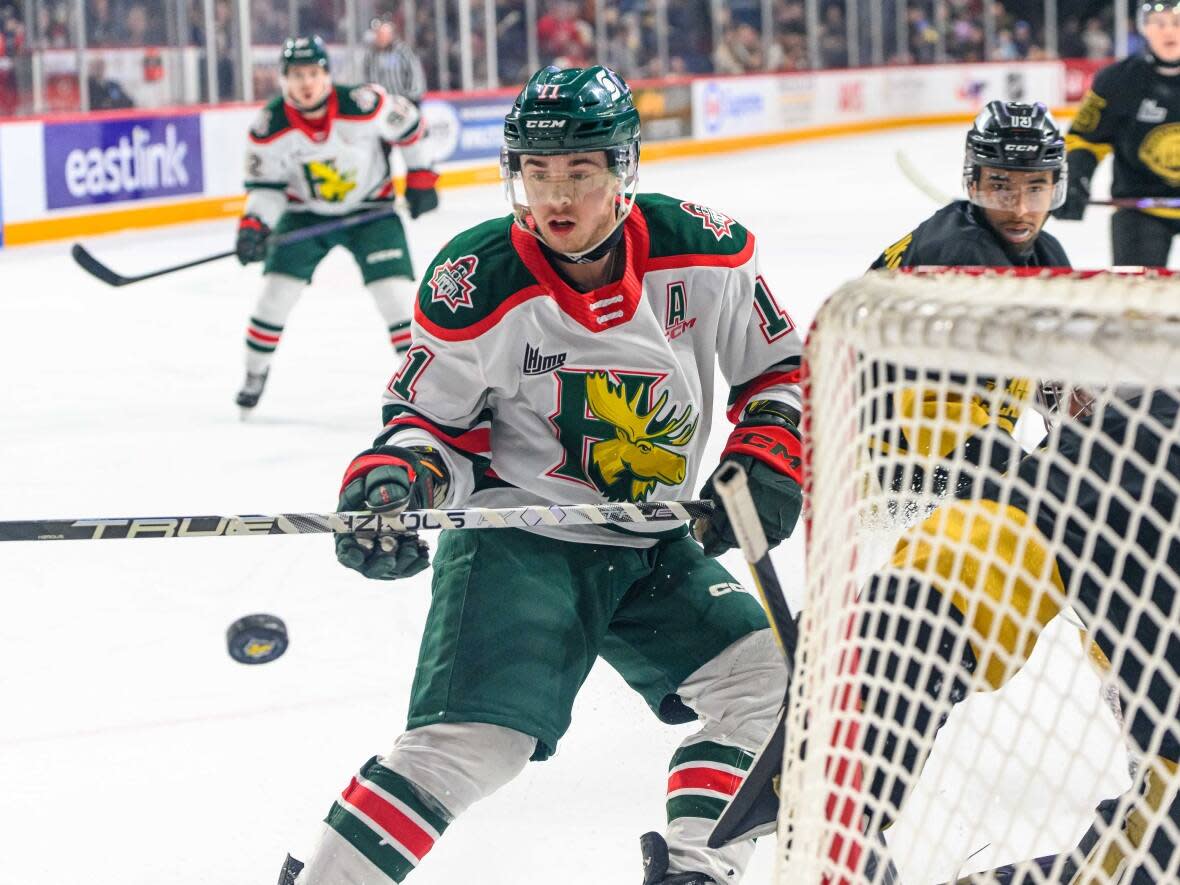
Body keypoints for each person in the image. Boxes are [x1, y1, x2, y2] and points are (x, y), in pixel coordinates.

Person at [275, 64, 804, 885]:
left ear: (623, 171)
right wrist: (398, 485)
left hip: (655, 541)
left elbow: (780, 371)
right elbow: (429, 426)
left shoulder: (706, 253)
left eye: (580, 172)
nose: (557, 196)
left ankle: (697, 870)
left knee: (773, 692)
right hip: (525, 539)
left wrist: (765, 458)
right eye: (538, 171)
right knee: (474, 745)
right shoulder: (476, 282)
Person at [235, 35, 438, 413]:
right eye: (297, 75)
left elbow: (410, 124)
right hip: (305, 215)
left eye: (313, 73)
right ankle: (254, 372)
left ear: (327, 74)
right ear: (283, 79)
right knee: (274, 297)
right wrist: (255, 224)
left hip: (370, 211)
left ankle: (424, 388)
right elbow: (267, 189)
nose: (306, 83)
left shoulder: (363, 105)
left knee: (394, 298)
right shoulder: (270, 126)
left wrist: (421, 175)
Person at [1054, 1, 1180, 265]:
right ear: (1144, 28)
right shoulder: (1117, 80)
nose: (1169, 32)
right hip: (1139, 206)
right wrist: (1076, 181)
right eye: (1159, 23)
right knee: (1137, 299)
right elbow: (1084, 139)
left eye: (1177, 23)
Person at [361, 15, 426, 105]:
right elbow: (367, 77)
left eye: (383, 35)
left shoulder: (403, 51)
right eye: (378, 34)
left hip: (404, 102)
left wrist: (412, 97)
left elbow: (414, 73)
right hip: (380, 103)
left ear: (391, 35)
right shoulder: (371, 55)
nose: (380, 38)